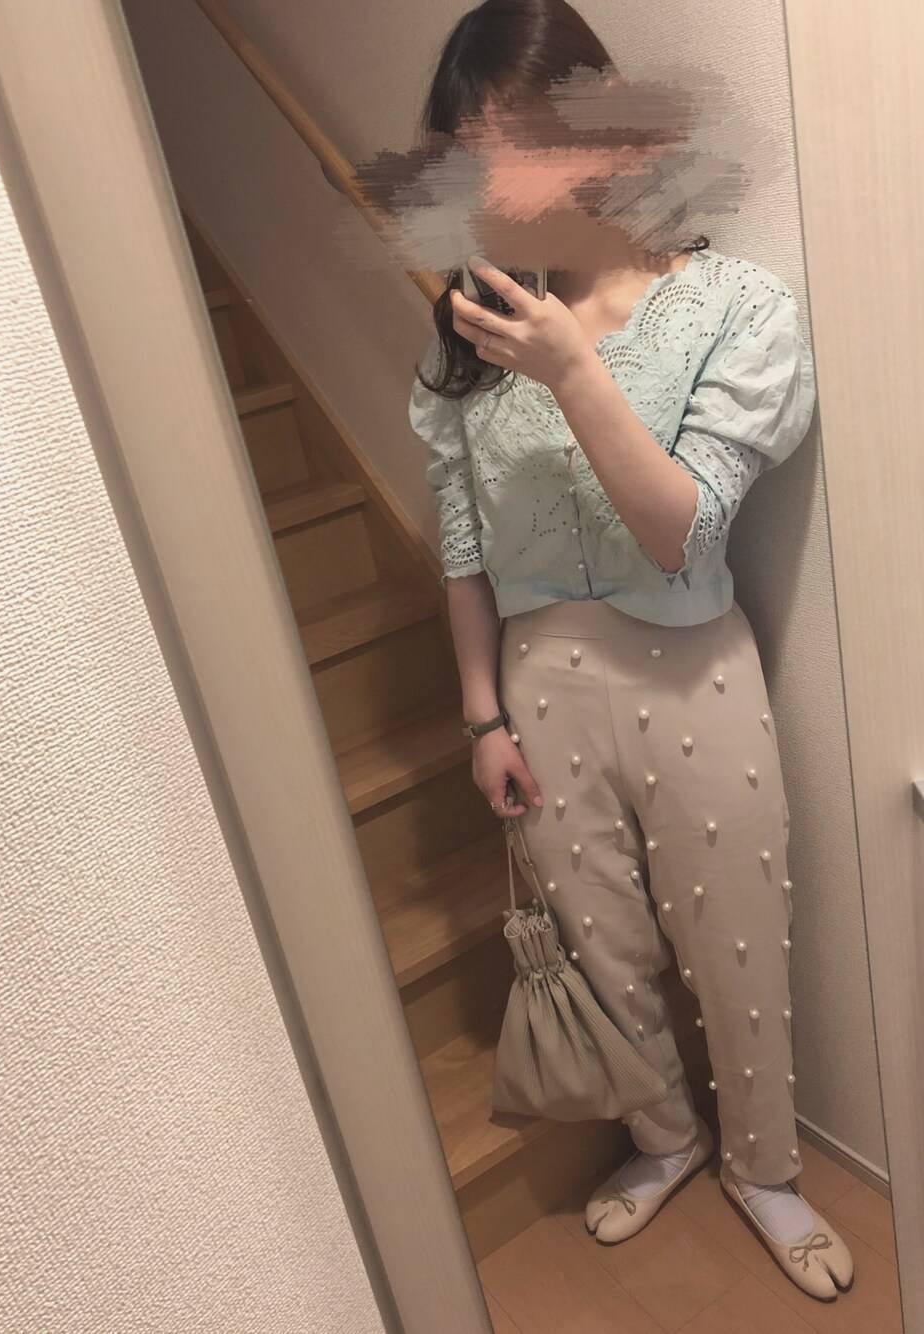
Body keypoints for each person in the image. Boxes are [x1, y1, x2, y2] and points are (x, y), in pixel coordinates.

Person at [407, 0, 855, 1303]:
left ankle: (765, 1167)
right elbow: (463, 551)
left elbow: (684, 531)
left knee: (739, 941)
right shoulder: (468, 344)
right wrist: (483, 717)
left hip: (693, 669)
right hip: (540, 692)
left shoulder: (732, 307)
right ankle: (667, 1137)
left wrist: (574, 371)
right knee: (601, 942)